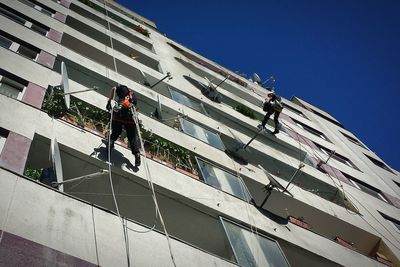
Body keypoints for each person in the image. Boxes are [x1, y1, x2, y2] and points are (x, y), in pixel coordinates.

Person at [106, 85, 141, 166]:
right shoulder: (133, 96)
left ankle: (110, 143)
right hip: (130, 118)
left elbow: (113, 88)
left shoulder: (122, 88)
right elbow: (134, 105)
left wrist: (109, 101)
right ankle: (137, 154)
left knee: (116, 131)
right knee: (132, 137)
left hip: (118, 115)